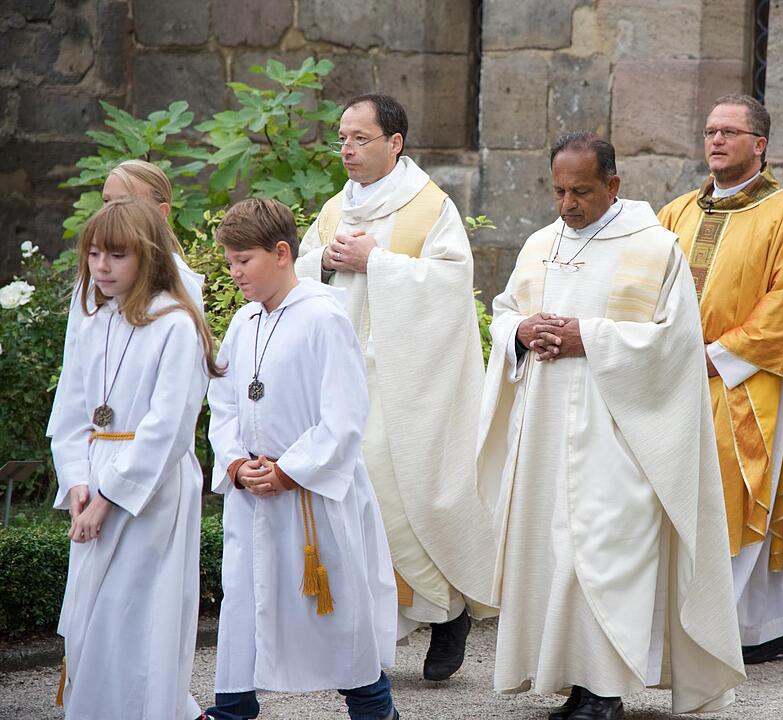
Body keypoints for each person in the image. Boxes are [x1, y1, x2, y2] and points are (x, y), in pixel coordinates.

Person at [477, 132, 745, 719]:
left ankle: (604, 694)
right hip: (545, 432)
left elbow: (677, 346)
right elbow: (503, 313)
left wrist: (589, 337)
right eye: (558, 191)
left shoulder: (655, 250)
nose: (567, 204)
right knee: (555, 557)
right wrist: (519, 333)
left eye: (582, 191)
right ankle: (576, 683)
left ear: (614, 185)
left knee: (599, 558)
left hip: (620, 434)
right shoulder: (540, 244)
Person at [295, 93, 494, 680]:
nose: (347, 149)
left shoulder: (429, 207)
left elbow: (452, 285)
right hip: (345, 376)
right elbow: (300, 269)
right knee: (355, 502)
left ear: (394, 144)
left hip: (408, 383)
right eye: (341, 138)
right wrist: (326, 263)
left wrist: (377, 262)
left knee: (401, 499)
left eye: (359, 138)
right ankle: (371, 638)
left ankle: (447, 613)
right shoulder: (334, 210)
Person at [658, 95, 783, 664]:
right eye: (710, 131)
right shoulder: (676, 212)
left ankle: (707, 632)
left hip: (748, 379)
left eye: (730, 132)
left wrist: (718, 353)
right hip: (676, 375)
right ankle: (768, 625)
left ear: (759, 145)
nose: (716, 140)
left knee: (736, 496)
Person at [205, 199, 398, 720]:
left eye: (244, 259)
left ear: (283, 253)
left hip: (312, 497)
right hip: (253, 495)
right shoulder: (244, 323)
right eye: (230, 261)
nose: (235, 272)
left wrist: (290, 470)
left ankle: (375, 709)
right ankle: (234, 708)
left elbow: (345, 414)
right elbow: (221, 404)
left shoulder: (323, 315)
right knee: (242, 607)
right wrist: (235, 465)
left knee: (337, 620)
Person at [49, 198, 220, 718]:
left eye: (116, 256)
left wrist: (107, 498)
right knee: (90, 620)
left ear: (147, 256)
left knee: (138, 619)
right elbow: (72, 409)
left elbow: (167, 428)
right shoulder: (95, 318)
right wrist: (78, 481)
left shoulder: (174, 324)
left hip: (151, 492)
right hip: (96, 476)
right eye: (94, 254)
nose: (101, 267)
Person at [47, 159, 204, 438]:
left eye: (125, 203)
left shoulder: (180, 286)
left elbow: (181, 390)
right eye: (106, 201)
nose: (112, 213)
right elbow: (75, 363)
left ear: (161, 213)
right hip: (89, 439)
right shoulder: (97, 275)